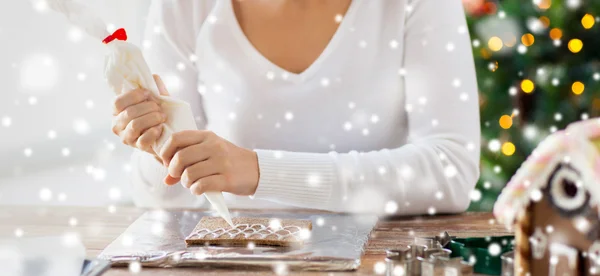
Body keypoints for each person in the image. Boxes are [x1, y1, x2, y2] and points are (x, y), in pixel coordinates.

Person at [111, 0, 481, 215]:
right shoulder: (184, 6)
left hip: (384, 270)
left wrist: (259, 171)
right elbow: (166, 200)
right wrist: (159, 150)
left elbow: (450, 171)